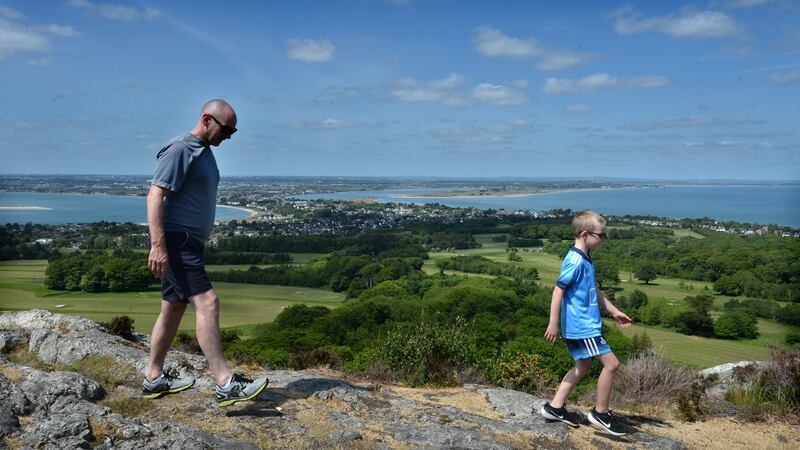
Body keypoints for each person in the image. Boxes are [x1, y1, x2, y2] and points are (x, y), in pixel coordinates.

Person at [142, 99, 268, 407]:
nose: (229, 136)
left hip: (188, 242)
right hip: (178, 241)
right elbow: (155, 195)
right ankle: (225, 382)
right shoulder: (180, 149)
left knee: (173, 308)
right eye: (226, 129)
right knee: (208, 302)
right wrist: (158, 245)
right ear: (207, 119)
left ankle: (154, 378)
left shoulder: (204, 153)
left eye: (233, 132)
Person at [539, 210, 632, 436]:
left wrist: (614, 311)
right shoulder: (575, 261)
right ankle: (601, 413)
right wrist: (553, 323)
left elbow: (594, 291)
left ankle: (555, 408)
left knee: (583, 367)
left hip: (585, 325)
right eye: (601, 235)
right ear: (584, 233)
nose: (604, 239)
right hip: (582, 326)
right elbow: (558, 289)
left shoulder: (586, 258)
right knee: (612, 365)